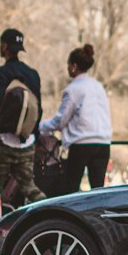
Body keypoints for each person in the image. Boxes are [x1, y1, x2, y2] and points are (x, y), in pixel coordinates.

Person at [40, 43, 112, 194]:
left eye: (68, 65)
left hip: (82, 144)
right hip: (103, 143)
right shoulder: (98, 86)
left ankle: (70, 217)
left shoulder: (73, 89)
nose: (67, 69)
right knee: (98, 189)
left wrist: (40, 126)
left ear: (74, 66)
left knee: (70, 188)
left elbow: (60, 120)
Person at [0, 27, 45, 205]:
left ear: (4, 47)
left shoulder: (1, 73)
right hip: (26, 141)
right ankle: (45, 211)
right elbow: (38, 108)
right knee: (28, 186)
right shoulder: (33, 75)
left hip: (2, 141)